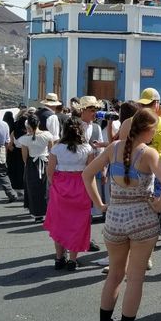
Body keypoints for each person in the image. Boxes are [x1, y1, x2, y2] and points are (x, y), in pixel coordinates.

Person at [82, 108, 161, 321]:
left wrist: (100, 205)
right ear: (148, 130)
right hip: (143, 218)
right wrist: (159, 206)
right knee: (135, 278)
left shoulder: (113, 148)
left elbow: (86, 175)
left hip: (114, 218)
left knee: (114, 274)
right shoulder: (149, 153)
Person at [45, 116, 95, 271]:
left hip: (61, 186)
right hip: (81, 185)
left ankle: (59, 258)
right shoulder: (87, 148)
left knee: (59, 223)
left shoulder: (57, 148)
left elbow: (50, 171)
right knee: (78, 223)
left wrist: (55, 185)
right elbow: (90, 171)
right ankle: (73, 260)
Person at [17, 113, 53, 222]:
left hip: (32, 164)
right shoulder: (47, 135)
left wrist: (27, 164)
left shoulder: (25, 139)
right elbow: (52, 151)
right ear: (38, 123)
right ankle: (49, 211)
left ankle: (37, 214)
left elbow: (24, 156)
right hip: (46, 162)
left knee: (33, 189)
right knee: (46, 188)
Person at [4, 110, 25, 191]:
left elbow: (10, 140)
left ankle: (15, 184)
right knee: (22, 168)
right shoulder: (27, 131)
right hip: (24, 150)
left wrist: (10, 147)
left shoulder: (14, 128)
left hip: (15, 151)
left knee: (16, 168)